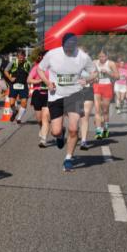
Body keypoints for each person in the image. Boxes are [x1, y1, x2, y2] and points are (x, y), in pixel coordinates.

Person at [37, 33, 97, 172]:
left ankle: (68, 158)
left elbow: (94, 72)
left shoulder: (82, 56)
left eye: (72, 47)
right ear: (62, 44)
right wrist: (47, 82)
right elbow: (40, 69)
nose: (69, 50)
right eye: (66, 47)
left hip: (75, 95)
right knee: (55, 131)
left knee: (74, 129)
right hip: (55, 96)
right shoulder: (52, 54)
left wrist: (87, 80)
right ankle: (60, 134)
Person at [27, 49, 51, 147]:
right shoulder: (37, 67)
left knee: (45, 118)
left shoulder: (54, 68)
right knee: (39, 119)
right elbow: (28, 79)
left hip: (49, 94)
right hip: (38, 93)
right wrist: (39, 80)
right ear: (41, 57)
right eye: (44, 57)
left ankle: (43, 140)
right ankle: (41, 128)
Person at [93, 49, 117, 139]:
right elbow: (88, 71)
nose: (101, 58)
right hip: (97, 86)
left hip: (107, 87)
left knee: (105, 110)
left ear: (107, 56)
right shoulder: (94, 62)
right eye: (100, 56)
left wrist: (108, 72)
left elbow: (117, 76)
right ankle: (99, 132)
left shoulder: (111, 64)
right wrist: (93, 77)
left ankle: (106, 129)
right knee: (97, 109)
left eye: (103, 56)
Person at [2, 50, 31, 124]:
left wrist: (30, 82)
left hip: (23, 85)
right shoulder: (13, 63)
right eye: (19, 56)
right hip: (14, 84)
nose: (21, 58)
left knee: (24, 102)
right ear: (17, 57)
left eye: (22, 56)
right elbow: (5, 71)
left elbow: (31, 73)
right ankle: (15, 112)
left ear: (24, 56)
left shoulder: (28, 64)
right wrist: (10, 78)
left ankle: (19, 118)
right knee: (11, 103)